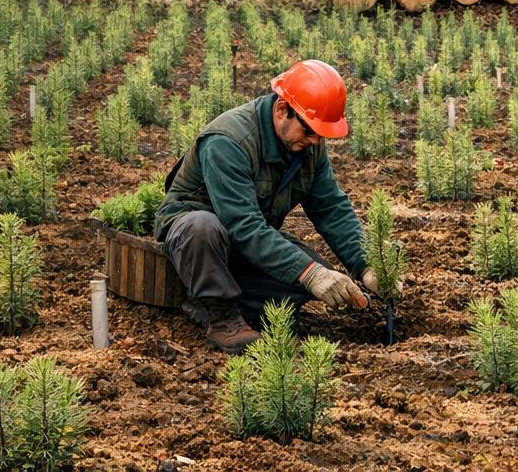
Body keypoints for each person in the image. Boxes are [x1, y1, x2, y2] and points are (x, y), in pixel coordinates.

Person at [153, 59, 385, 354]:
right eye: (309, 131)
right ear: (281, 109)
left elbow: (331, 208)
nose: (316, 141)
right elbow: (243, 225)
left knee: (318, 278)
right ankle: (221, 317)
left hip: (245, 239)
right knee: (203, 228)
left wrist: (367, 265)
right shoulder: (229, 141)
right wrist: (308, 272)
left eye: (321, 134)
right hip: (197, 236)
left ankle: (216, 298)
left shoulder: (306, 145)